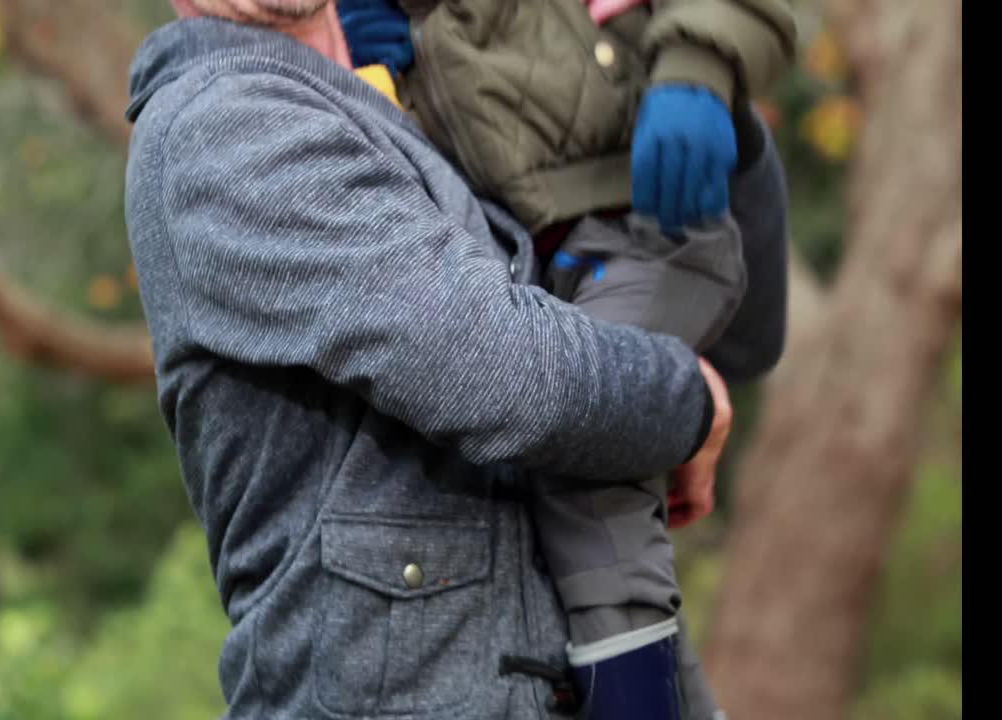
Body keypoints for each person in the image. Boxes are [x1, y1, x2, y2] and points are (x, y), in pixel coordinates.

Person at [122, 1, 787, 717]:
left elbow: (745, 337)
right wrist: (687, 403)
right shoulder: (228, 121)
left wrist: (687, 84)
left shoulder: (436, 98)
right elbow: (506, 379)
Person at [333, 0, 796, 716]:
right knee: (594, 526)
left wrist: (696, 73)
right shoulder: (363, 36)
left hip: (648, 223)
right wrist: (370, 72)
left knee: (584, 458)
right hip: (534, 275)